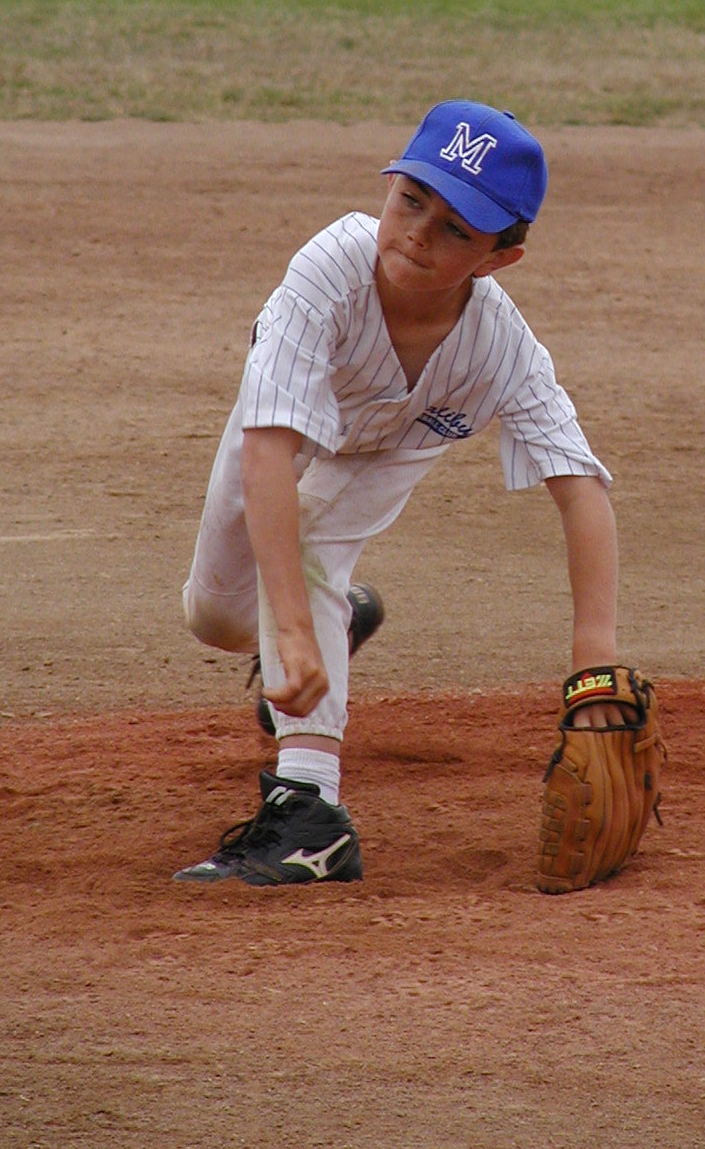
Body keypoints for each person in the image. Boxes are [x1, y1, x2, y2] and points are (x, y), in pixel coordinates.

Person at [173, 99, 621, 887]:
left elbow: (580, 489)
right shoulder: (329, 271)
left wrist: (596, 671)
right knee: (215, 617)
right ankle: (330, 624)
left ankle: (310, 816)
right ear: (389, 187)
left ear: (497, 259)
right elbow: (269, 452)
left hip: (393, 446)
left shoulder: (500, 350)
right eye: (411, 200)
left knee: (311, 553)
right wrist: (294, 630)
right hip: (286, 418)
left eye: (456, 229)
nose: (418, 232)